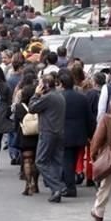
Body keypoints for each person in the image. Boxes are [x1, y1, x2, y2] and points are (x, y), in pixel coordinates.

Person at [29, 74, 68, 202]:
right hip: (59, 131)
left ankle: (57, 187)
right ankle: (56, 190)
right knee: (56, 161)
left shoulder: (48, 97)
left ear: (44, 85)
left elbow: (32, 108)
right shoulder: (59, 95)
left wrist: (36, 94)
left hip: (47, 132)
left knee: (40, 161)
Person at [60, 71, 95, 197]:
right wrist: (91, 134)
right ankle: (69, 181)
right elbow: (89, 117)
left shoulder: (59, 97)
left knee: (67, 160)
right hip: (80, 134)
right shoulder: (82, 98)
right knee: (73, 159)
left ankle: (70, 187)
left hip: (64, 134)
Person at [14, 84, 41, 195]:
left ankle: (28, 185)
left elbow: (15, 123)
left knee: (27, 161)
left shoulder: (19, 107)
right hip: (37, 135)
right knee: (36, 161)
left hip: (24, 136)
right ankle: (36, 184)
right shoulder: (38, 105)